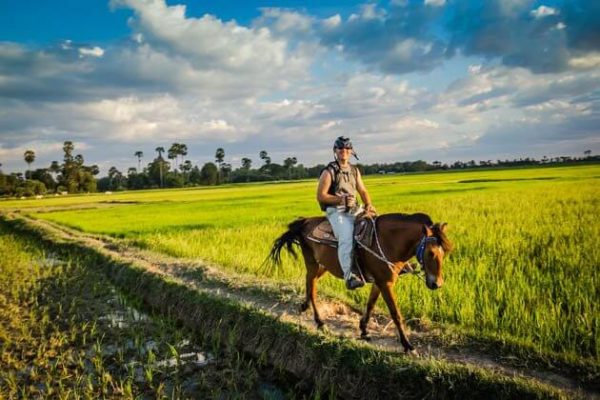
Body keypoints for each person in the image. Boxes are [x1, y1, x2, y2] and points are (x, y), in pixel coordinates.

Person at [316, 136, 376, 290]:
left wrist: (368, 205)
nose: (344, 151)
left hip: (354, 208)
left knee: (376, 225)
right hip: (337, 210)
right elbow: (321, 195)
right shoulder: (329, 171)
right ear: (335, 151)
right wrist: (340, 200)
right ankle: (350, 276)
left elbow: (362, 190)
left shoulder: (354, 170)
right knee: (346, 237)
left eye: (347, 149)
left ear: (351, 151)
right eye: (341, 148)